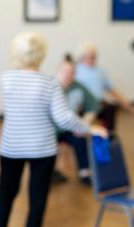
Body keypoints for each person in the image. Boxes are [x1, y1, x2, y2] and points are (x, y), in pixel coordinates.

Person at [0, 32, 105, 227]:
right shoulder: (48, 83)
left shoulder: (6, 79)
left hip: (11, 147)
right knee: (37, 198)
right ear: (41, 54)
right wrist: (89, 128)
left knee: (5, 193)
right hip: (41, 149)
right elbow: (63, 118)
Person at [54, 54, 100, 185]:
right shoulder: (50, 87)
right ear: (58, 72)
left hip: (70, 127)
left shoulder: (79, 87)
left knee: (80, 139)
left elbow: (93, 106)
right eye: (65, 72)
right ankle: (52, 171)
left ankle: (85, 173)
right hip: (51, 129)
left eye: (72, 72)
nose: (68, 75)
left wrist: (84, 123)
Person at [75, 42, 134, 131]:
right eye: (89, 56)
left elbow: (113, 91)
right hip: (82, 105)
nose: (92, 59)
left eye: (94, 56)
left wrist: (131, 108)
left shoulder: (100, 71)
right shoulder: (75, 71)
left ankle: (109, 135)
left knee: (111, 107)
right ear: (82, 56)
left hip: (98, 103)